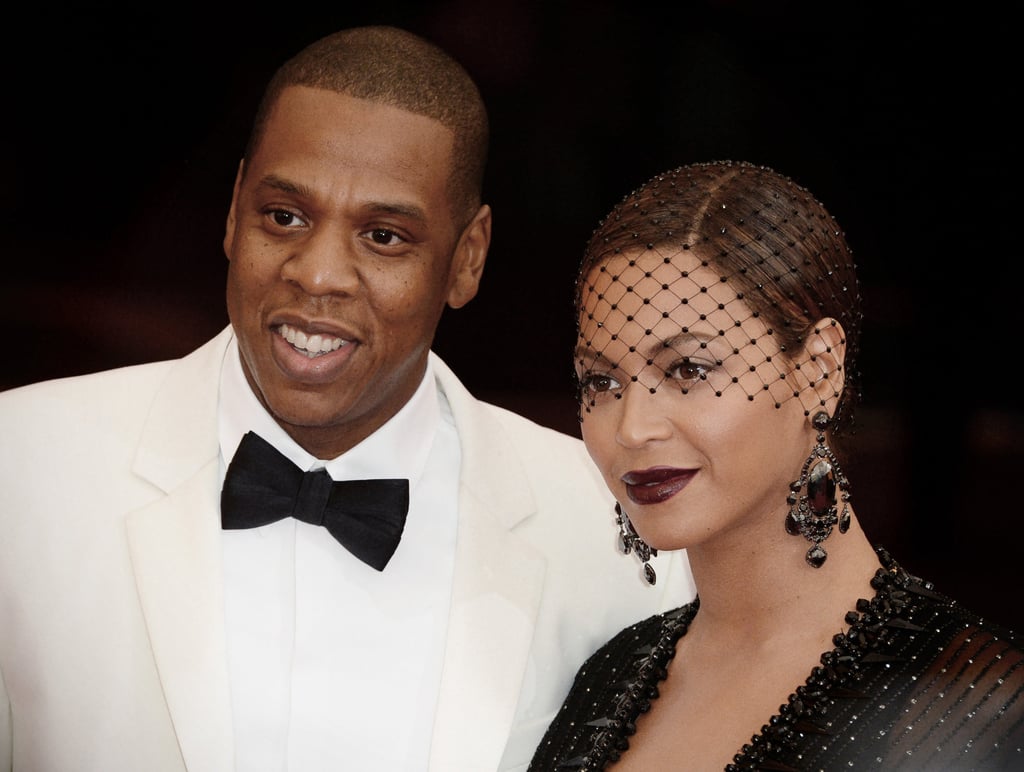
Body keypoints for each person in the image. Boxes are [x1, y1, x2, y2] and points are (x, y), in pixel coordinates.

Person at [0, 26, 694, 772]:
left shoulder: (614, 532)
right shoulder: (23, 463)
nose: (320, 273)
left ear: (467, 259)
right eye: (286, 216)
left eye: (385, 236)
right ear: (234, 210)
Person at [527, 160, 1024, 770]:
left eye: (688, 370)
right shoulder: (610, 677)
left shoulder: (977, 704)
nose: (632, 428)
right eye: (602, 381)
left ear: (818, 371)